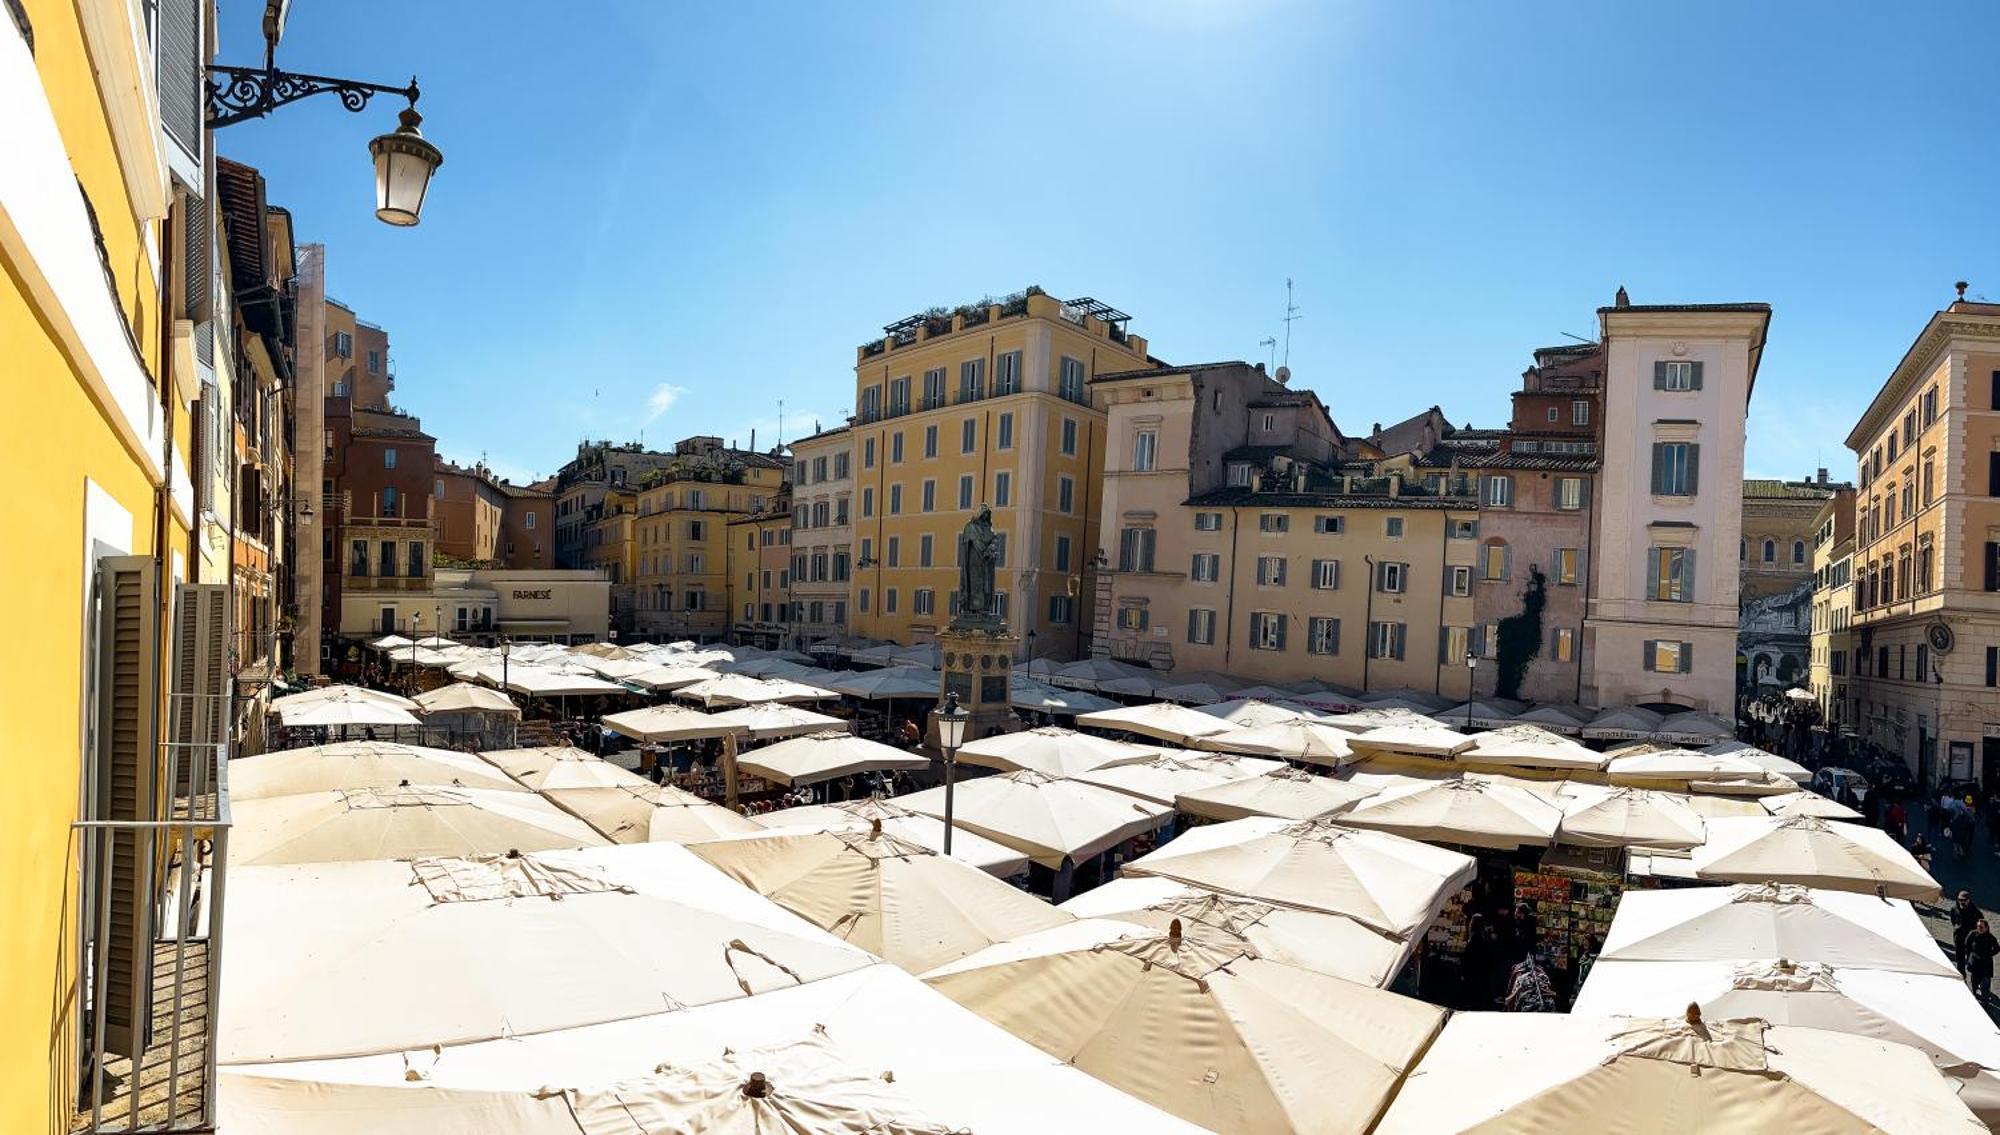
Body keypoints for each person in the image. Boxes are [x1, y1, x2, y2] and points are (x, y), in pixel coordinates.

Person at [1968, 919, 1999, 1003]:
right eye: (1978, 926)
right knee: (1974, 984)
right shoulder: (1972, 934)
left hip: (1986, 966)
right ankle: (1974, 997)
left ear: (1986, 928)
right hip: (1974, 964)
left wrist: (1988, 955)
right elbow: (1967, 944)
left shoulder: (1991, 938)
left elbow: (1997, 949)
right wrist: (1971, 956)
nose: (1979, 928)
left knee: (1985, 987)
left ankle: (1985, 1003)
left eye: (1981, 927)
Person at [1953, 891, 1981, 972]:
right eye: (1960, 900)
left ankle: (1973, 979)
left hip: (1970, 939)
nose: (1962, 902)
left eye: (1964, 900)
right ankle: (1962, 977)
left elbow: (1979, 924)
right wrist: (1957, 928)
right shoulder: (1954, 908)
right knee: (1959, 959)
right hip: (1959, 938)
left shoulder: (1975, 911)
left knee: (1971, 961)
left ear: (1968, 900)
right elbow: (1953, 920)